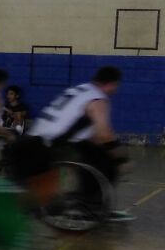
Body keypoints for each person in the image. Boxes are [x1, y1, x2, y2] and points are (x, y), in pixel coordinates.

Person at [28, 66, 131, 221]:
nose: (115, 89)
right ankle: (88, 206)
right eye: (116, 85)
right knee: (107, 165)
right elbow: (104, 133)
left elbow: (92, 135)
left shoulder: (81, 89)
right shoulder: (98, 99)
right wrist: (122, 158)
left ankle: (83, 202)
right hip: (51, 143)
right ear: (112, 84)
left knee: (95, 154)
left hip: (34, 138)